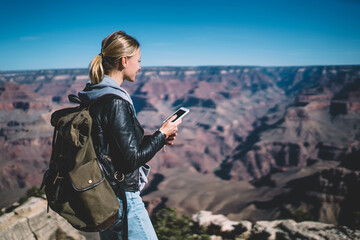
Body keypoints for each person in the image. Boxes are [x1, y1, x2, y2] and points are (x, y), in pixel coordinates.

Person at [78, 31, 181, 240]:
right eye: (139, 61)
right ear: (124, 60)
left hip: (103, 195)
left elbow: (116, 146)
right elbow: (130, 160)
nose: (141, 67)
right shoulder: (115, 101)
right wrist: (162, 133)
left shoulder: (94, 95)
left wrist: (159, 139)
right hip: (123, 198)